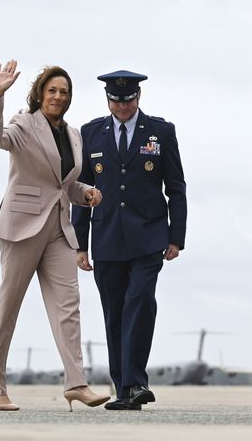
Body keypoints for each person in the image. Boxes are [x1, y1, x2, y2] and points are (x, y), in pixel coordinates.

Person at [0, 60, 110, 411]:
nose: (58, 96)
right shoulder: (24, 124)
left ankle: (77, 383)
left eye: (64, 92)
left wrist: (84, 193)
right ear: (40, 93)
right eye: (52, 90)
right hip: (21, 228)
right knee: (8, 310)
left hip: (58, 230)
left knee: (69, 309)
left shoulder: (73, 135)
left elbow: (62, 184)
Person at [72, 70, 187, 411]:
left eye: (128, 100)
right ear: (108, 100)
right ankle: (125, 388)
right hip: (106, 237)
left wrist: (176, 237)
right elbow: (81, 191)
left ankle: (135, 381)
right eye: (116, 101)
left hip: (150, 235)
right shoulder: (91, 133)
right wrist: (80, 243)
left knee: (139, 303)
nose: (122, 107)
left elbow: (176, 188)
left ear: (138, 98)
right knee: (114, 313)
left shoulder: (161, 131)